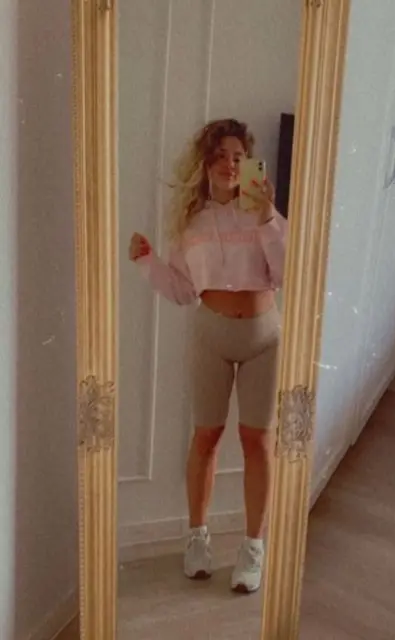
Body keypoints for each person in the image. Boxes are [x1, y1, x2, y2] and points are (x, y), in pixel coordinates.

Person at [128, 118, 287, 594]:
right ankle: (197, 538)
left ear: (249, 164)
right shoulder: (192, 225)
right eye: (219, 155)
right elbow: (183, 290)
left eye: (238, 157)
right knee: (206, 436)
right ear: (205, 163)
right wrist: (146, 262)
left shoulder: (264, 217)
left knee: (258, 440)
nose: (229, 164)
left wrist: (267, 217)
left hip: (264, 337)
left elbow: (286, 273)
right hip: (210, 335)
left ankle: (253, 548)